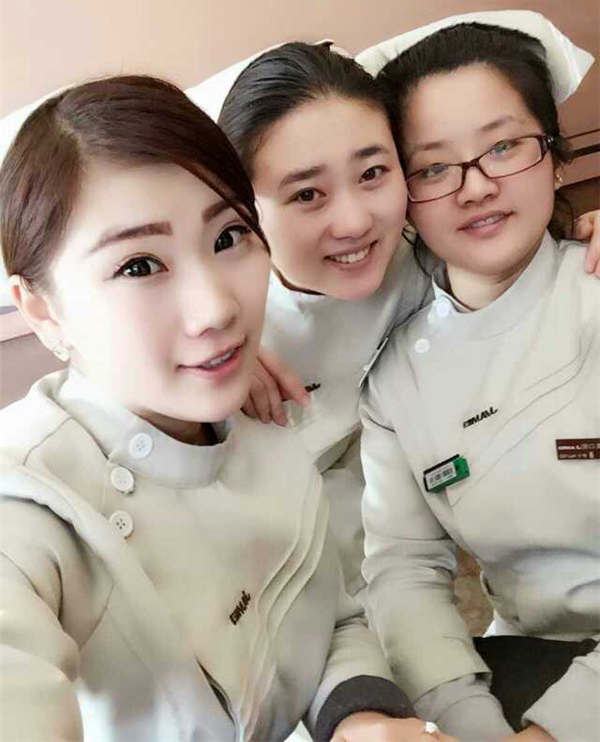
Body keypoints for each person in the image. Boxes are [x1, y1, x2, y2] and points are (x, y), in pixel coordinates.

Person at [0, 75, 456, 742]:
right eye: (138, 266)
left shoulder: (260, 424)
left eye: (228, 236)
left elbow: (327, 613)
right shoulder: (29, 498)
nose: (217, 308)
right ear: (42, 310)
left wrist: (357, 717)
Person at [218, 38, 600, 603]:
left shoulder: (427, 254)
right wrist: (211, 361)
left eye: (373, 172)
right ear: (242, 210)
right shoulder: (219, 316)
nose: (354, 222)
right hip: (275, 582)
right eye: (307, 194)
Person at [359, 22, 599, 742]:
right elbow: (403, 570)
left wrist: (559, 730)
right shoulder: (395, 379)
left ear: (555, 158)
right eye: (434, 168)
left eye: (503, 147)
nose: (476, 186)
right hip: (527, 659)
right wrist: (468, 721)